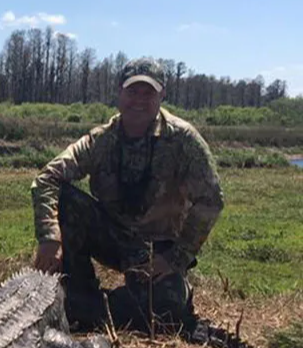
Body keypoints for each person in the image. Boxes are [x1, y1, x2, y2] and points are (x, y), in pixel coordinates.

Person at [31, 57, 224, 332]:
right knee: (64, 198)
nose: (140, 100)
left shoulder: (183, 140)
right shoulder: (101, 140)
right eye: (133, 91)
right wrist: (49, 237)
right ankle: (78, 290)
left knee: (169, 310)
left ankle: (82, 307)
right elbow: (47, 178)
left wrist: (175, 258)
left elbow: (211, 200)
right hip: (111, 236)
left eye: (149, 92)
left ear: (162, 95)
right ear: (119, 93)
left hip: (157, 249)